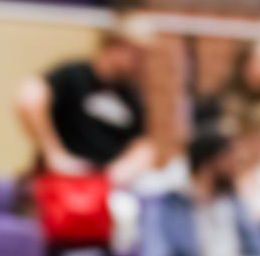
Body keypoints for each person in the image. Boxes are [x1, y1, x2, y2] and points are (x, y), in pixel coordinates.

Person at [134, 124, 260, 256]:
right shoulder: (166, 207)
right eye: (231, 157)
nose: (238, 164)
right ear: (209, 162)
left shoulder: (234, 203)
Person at [15, 25, 155, 186]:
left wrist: (115, 175)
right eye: (137, 55)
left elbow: (143, 145)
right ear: (114, 47)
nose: (142, 64)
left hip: (102, 187)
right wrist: (54, 154)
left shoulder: (132, 97)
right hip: (60, 181)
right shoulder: (74, 76)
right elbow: (29, 95)